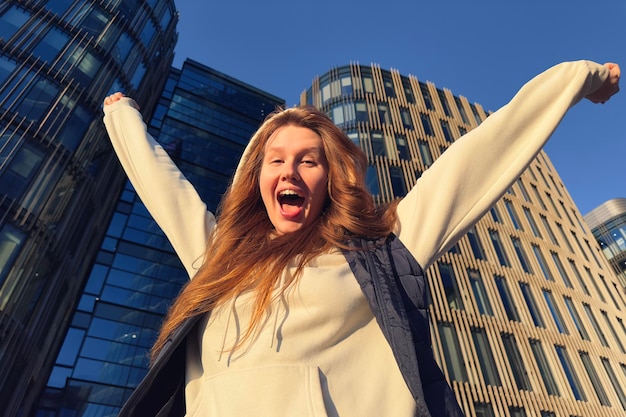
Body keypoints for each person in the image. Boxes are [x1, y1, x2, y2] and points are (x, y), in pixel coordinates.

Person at [103, 60, 620, 417]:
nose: (290, 171)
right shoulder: (218, 260)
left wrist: (578, 78)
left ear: (330, 178)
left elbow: (476, 158)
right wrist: (120, 114)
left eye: (309, 160)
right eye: (276, 160)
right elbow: (161, 185)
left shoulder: (379, 251)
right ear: (256, 179)